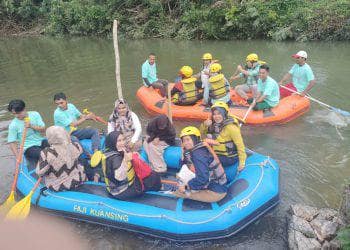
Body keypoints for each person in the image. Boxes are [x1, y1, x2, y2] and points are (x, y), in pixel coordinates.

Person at [172, 126, 227, 203]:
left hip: (215, 192)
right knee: (181, 177)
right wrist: (182, 152)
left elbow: (203, 178)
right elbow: (183, 165)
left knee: (179, 193)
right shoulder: (196, 149)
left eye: (188, 139)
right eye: (184, 141)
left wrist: (187, 186)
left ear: (195, 139)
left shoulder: (198, 154)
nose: (186, 143)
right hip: (211, 183)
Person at [101, 131, 161, 200]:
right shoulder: (115, 159)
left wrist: (132, 155)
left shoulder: (109, 151)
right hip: (122, 192)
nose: (122, 143)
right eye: (119, 141)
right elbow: (119, 177)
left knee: (149, 176)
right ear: (112, 142)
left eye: (123, 140)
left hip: (113, 188)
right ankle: (159, 192)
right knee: (154, 177)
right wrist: (125, 161)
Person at [36, 126, 86, 191]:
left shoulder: (46, 152)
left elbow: (39, 172)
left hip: (59, 185)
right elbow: (79, 152)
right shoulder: (76, 145)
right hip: (79, 179)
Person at [200, 101, 246, 170]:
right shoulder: (213, 124)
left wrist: (242, 163)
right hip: (216, 153)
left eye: (219, 114)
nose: (216, 116)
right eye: (214, 114)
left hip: (229, 157)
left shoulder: (231, 127)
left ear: (224, 114)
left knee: (203, 161)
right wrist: (205, 125)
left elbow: (240, 145)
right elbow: (201, 132)